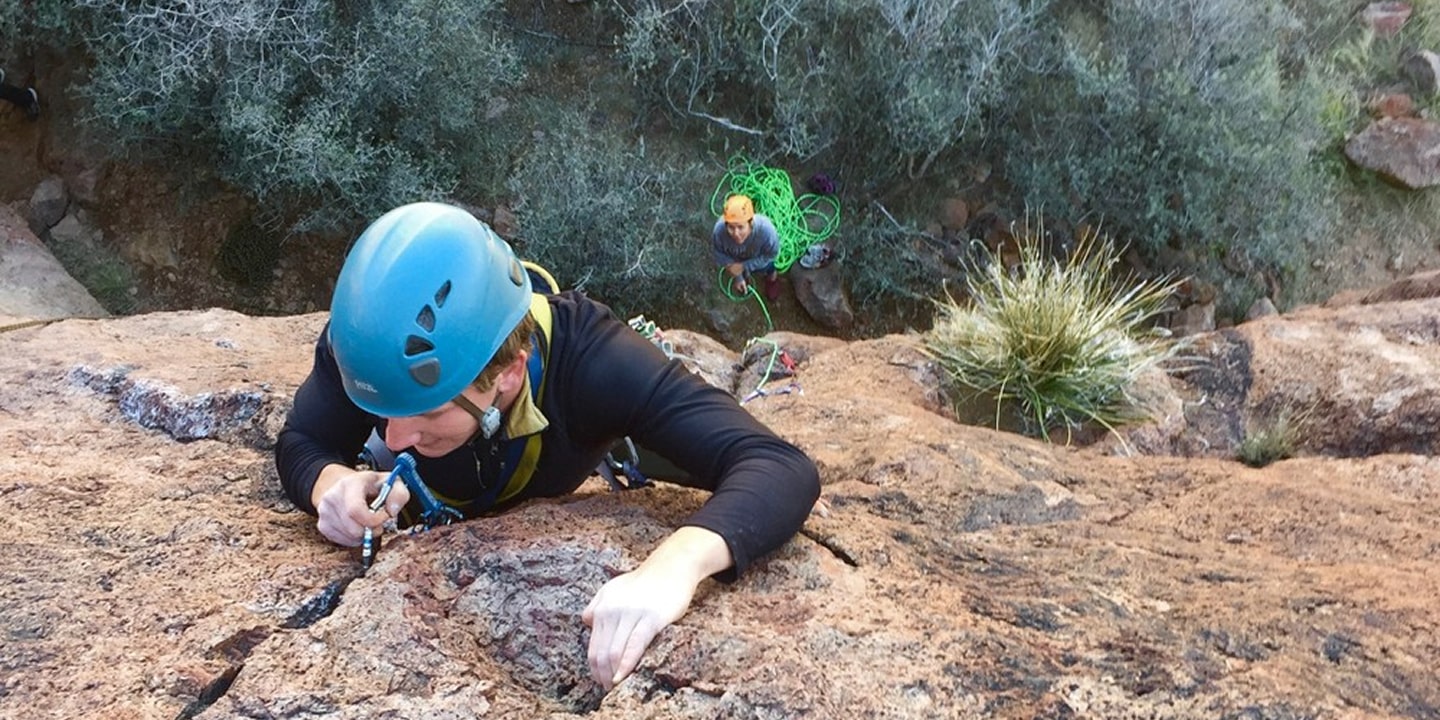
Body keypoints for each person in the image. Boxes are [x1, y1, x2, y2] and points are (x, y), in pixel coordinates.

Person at [276, 202, 820, 691]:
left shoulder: (594, 363)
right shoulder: (369, 348)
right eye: (383, 412)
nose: (396, 437)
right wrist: (331, 484)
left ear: (509, 374)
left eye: (429, 410)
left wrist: (673, 568)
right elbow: (305, 440)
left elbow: (777, 465)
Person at [711, 194, 781, 301]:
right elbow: (720, 253)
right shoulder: (719, 232)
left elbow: (771, 255)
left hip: (760, 258)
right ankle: (745, 278)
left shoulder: (767, 231)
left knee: (770, 268)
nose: (736, 234)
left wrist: (743, 266)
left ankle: (772, 280)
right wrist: (738, 276)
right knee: (741, 273)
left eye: (740, 227)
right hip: (736, 258)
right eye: (731, 227)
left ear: (750, 223)